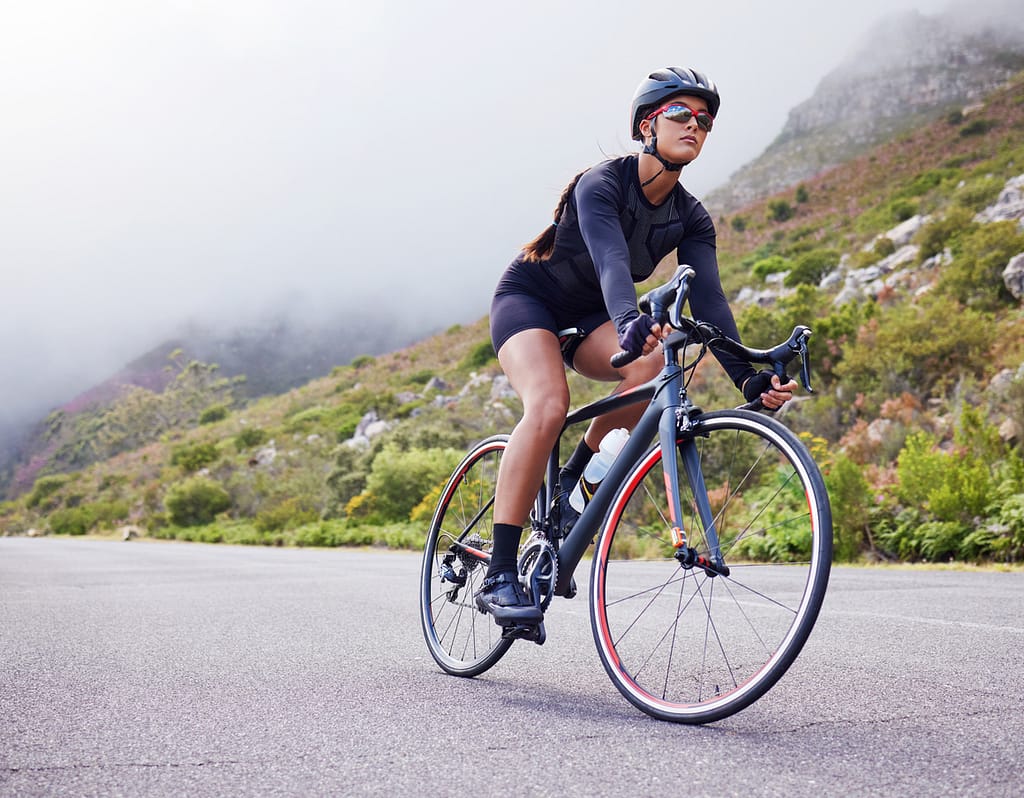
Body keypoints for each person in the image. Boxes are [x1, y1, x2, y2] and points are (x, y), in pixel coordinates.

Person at [477, 67, 797, 627]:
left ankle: (572, 484)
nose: (694, 125)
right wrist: (628, 318)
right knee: (549, 405)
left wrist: (749, 376)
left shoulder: (691, 217)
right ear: (647, 125)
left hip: (593, 317)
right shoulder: (601, 183)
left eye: (705, 120)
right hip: (531, 301)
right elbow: (611, 261)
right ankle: (500, 572)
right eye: (680, 114)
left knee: (652, 365)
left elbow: (711, 301)